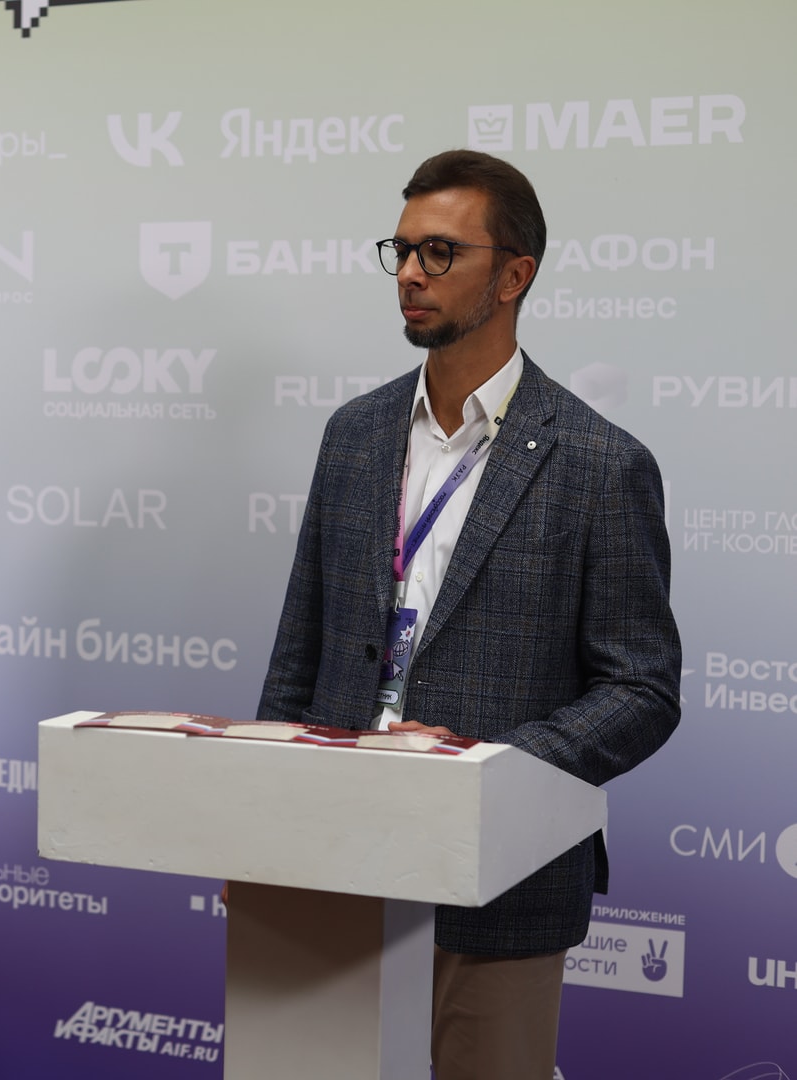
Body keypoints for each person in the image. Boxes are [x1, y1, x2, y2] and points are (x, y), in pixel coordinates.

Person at [257, 150, 680, 1080]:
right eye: (402, 250)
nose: (410, 273)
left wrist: (486, 771)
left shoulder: (600, 463)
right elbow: (298, 653)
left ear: (514, 275)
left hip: (500, 878)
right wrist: (265, 826)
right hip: (334, 854)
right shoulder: (353, 435)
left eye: (440, 252)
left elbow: (642, 689)